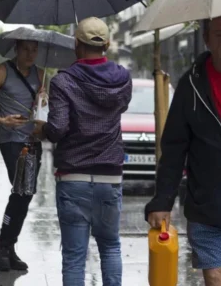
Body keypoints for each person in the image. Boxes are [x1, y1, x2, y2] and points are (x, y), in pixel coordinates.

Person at [145, 12, 221, 286]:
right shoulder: (191, 85)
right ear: (206, 40)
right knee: (217, 279)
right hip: (208, 207)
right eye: (220, 35)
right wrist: (162, 201)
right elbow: (174, 149)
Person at [33, 17, 132, 286]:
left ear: (76, 45)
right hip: (109, 177)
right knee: (110, 247)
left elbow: (58, 129)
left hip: (73, 178)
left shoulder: (63, 81)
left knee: (75, 257)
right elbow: (118, 108)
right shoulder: (123, 79)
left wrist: (42, 127)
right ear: (108, 45)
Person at [0, 40, 45, 272]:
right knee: (21, 192)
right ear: (16, 49)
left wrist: (44, 101)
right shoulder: (2, 71)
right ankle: (4, 245)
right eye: (26, 48)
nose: (30, 53)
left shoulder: (41, 74)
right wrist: (1, 120)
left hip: (34, 140)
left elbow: (45, 108)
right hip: (12, 141)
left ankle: (6, 245)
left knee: (25, 194)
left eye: (34, 49)